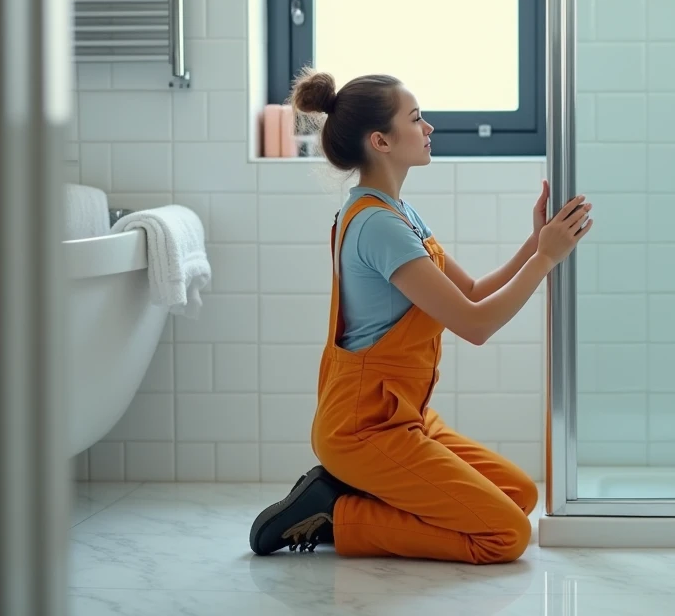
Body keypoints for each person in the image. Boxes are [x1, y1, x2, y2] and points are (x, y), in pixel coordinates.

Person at [248, 69, 592, 564]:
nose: (428, 128)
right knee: (506, 536)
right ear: (381, 140)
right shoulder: (378, 225)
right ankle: (336, 517)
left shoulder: (399, 213)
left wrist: (536, 245)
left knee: (521, 496)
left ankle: (357, 496)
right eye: (416, 118)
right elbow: (475, 325)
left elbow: (469, 291)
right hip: (364, 429)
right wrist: (546, 259)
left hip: (402, 417)